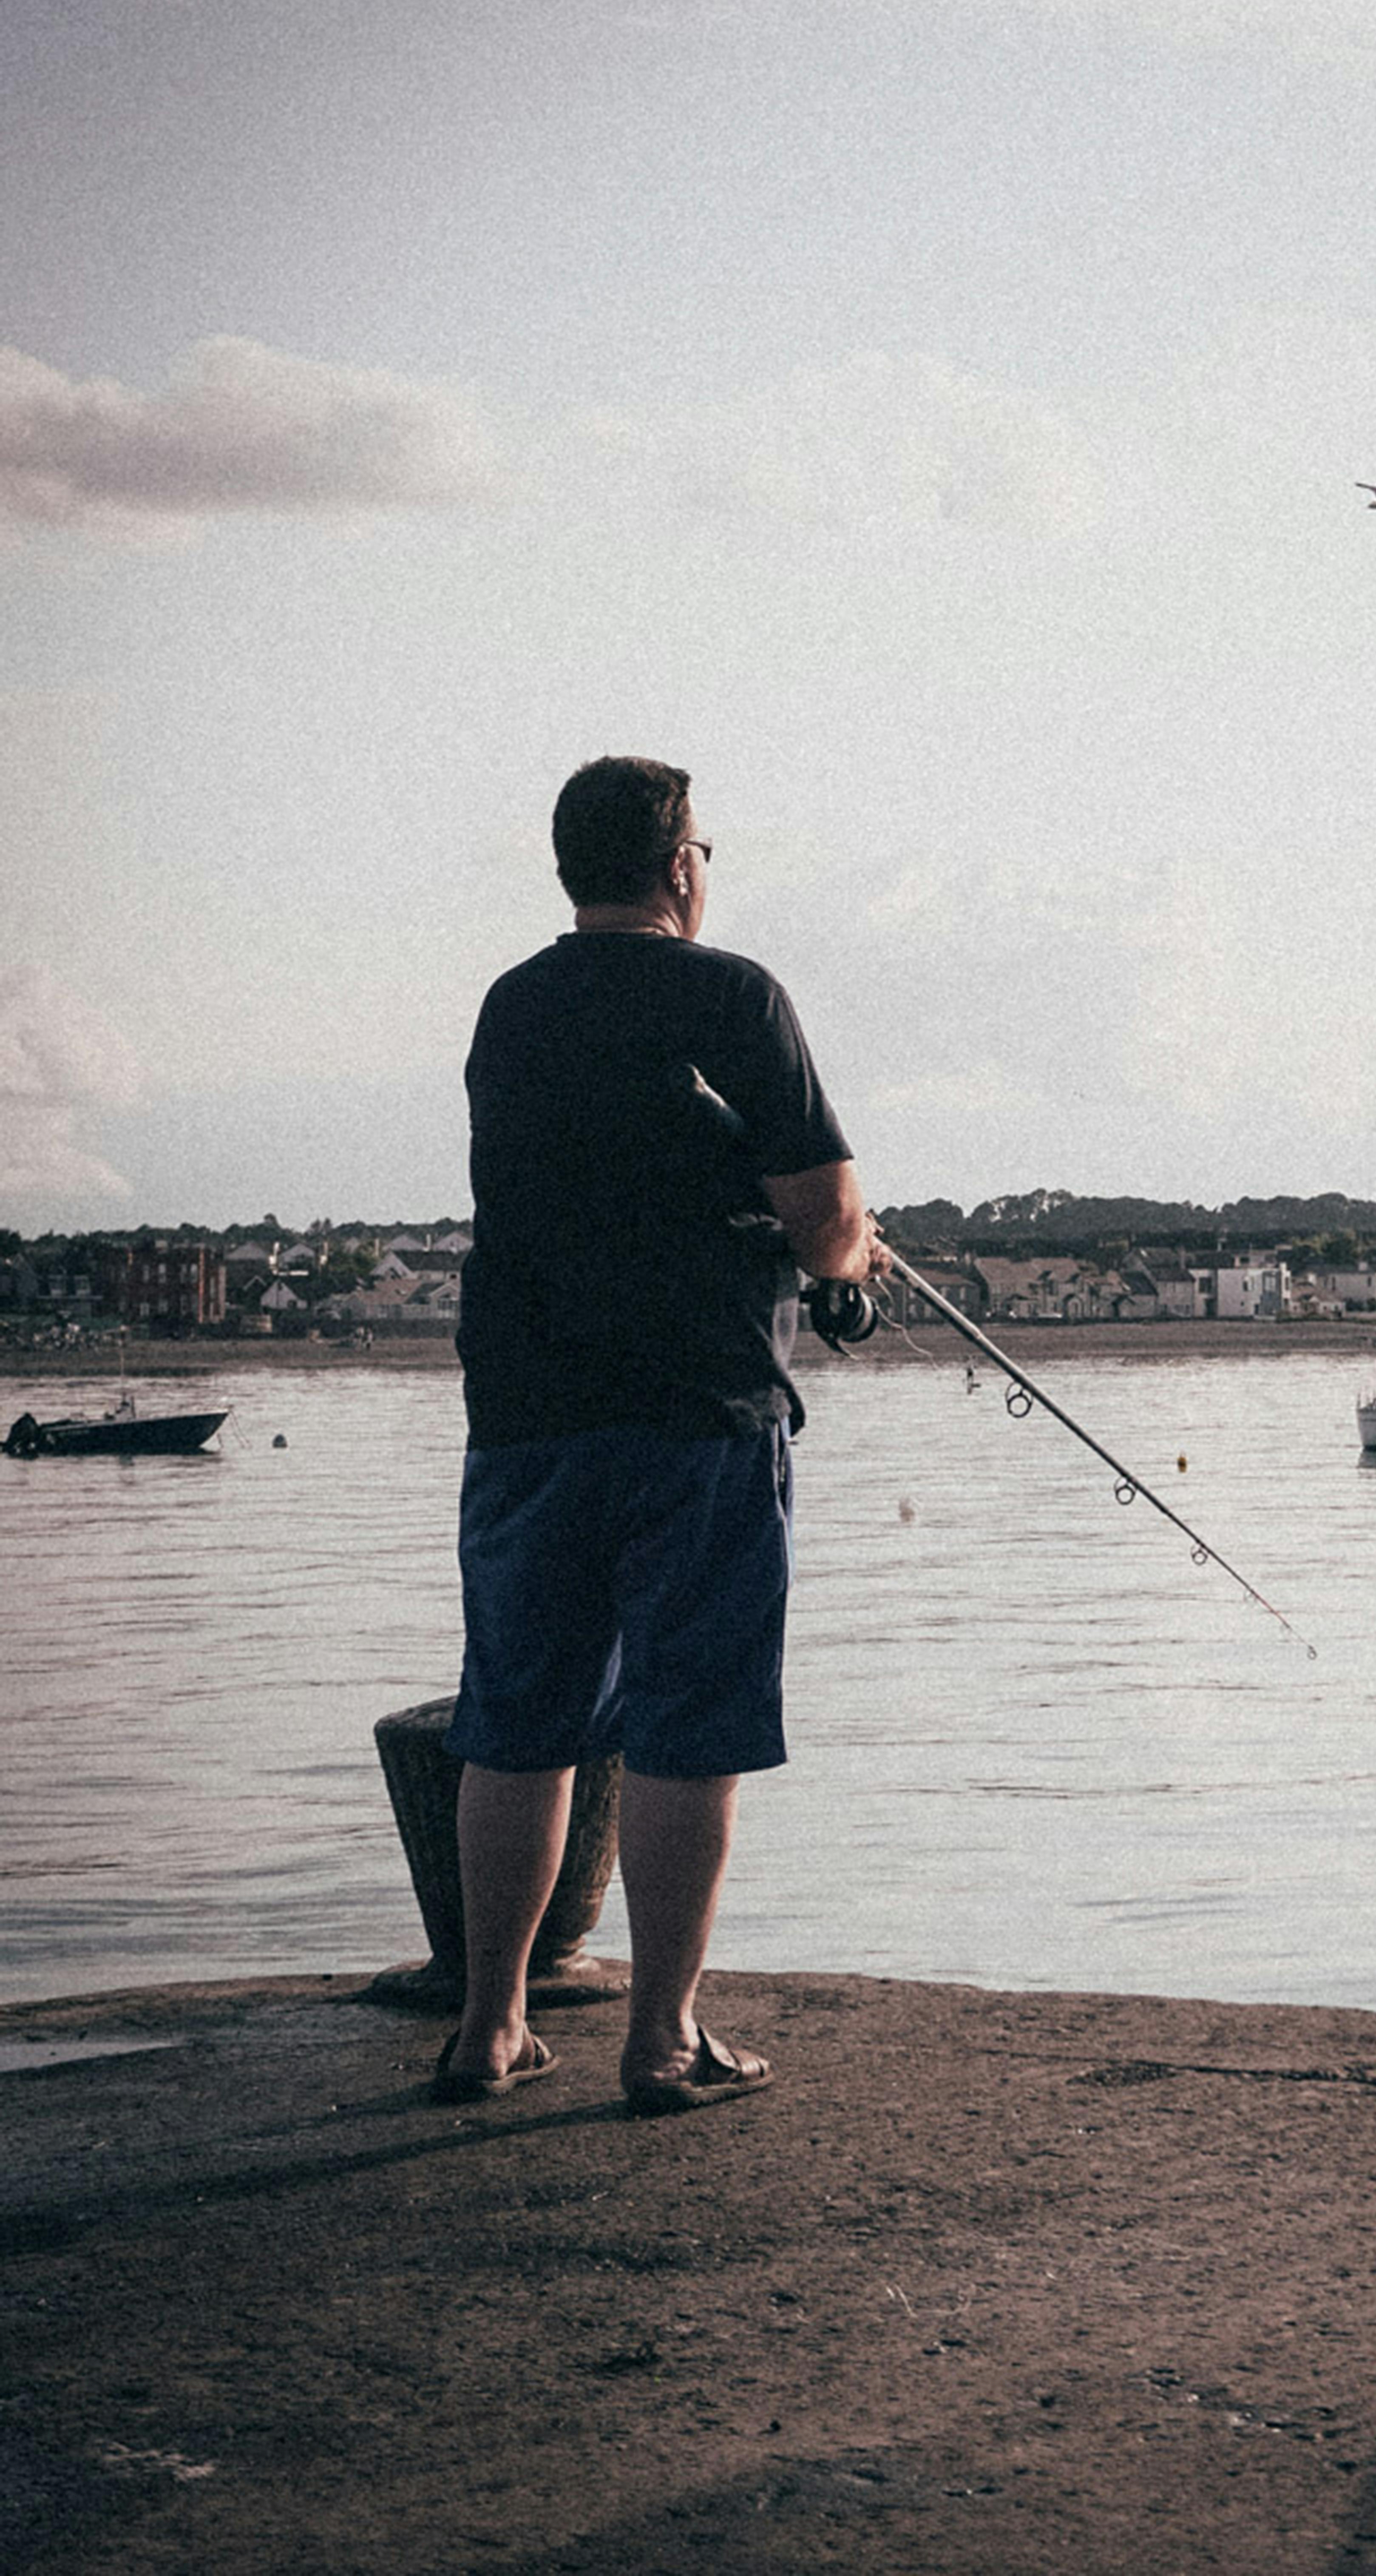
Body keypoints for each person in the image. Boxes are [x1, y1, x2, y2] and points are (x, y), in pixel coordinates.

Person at [436, 755, 884, 2114]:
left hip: (526, 1414)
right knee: (691, 1729)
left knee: (518, 1720)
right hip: (699, 1415)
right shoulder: (732, 995)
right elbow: (827, 1219)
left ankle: (489, 2030)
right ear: (682, 864)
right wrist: (847, 1270)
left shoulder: (511, 1008)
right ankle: (663, 2039)